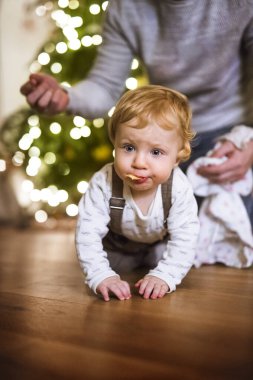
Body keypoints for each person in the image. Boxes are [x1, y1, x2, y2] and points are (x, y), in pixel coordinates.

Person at [20, 0, 253, 225]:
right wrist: (65, 98)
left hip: (233, 135)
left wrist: (249, 145)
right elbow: (103, 86)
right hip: (162, 140)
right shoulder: (125, 7)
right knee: (140, 228)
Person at [75, 85, 199, 301]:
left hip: (158, 246)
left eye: (156, 152)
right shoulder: (104, 182)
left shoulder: (179, 188)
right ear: (115, 143)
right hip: (118, 248)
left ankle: (155, 267)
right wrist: (101, 275)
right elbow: (87, 233)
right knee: (109, 263)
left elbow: (185, 238)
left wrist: (164, 276)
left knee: (175, 256)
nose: (139, 162)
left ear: (177, 158)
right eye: (129, 147)